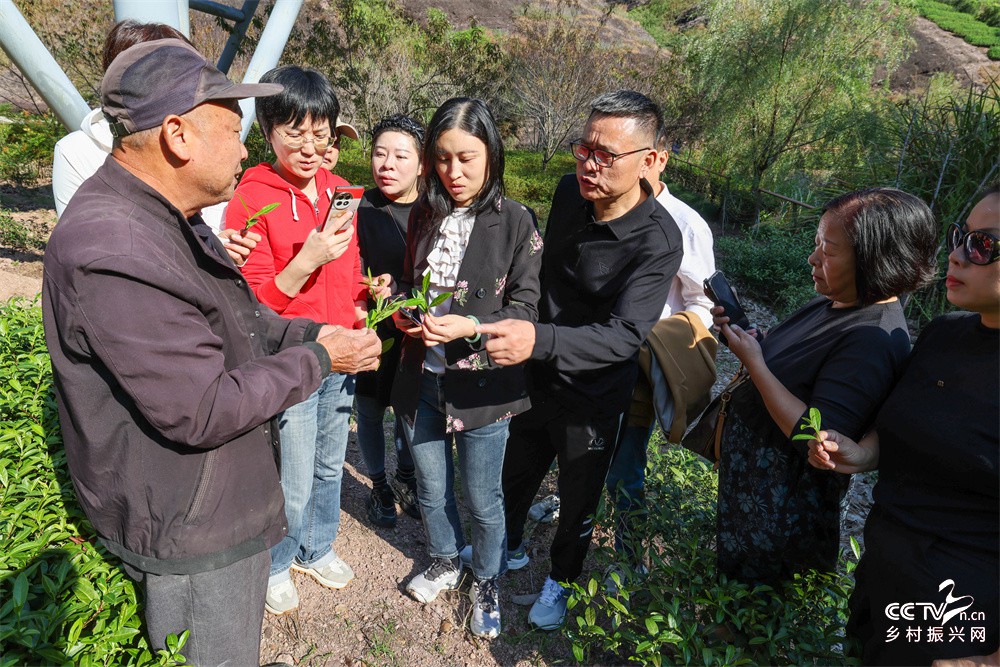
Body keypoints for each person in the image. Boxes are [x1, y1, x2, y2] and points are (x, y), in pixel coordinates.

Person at [41, 39, 381, 665]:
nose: (245, 147)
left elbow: (242, 320)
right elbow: (199, 408)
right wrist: (322, 359)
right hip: (192, 522)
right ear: (178, 136)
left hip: (216, 498)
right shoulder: (115, 248)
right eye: (233, 129)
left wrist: (312, 336)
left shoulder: (167, 214)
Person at [478, 90, 683, 630]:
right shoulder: (570, 191)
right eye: (583, 148)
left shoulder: (660, 240)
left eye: (606, 155)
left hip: (593, 396)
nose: (589, 164)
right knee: (515, 472)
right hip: (535, 373)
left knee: (578, 496)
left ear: (650, 160)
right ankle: (511, 544)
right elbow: (542, 273)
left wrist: (537, 339)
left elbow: (625, 336)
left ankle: (561, 578)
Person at [807, 187, 999, 666]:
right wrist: (861, 453)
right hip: (884, 572)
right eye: (961, 236)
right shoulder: (945, 333)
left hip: (961, 607)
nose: (956, 255)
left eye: (983, 245)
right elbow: (910, 432)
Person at [711, 187, 938, 584]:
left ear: (875, 262)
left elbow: (815, 438)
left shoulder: (872, 339)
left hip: (779, 514)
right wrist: (753, 344)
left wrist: (755, 364)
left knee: (749, 616)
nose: (814, 258)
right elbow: (797, 369)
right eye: (817, 243)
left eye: (828, 251)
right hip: (752, 496)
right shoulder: (835, 299)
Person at [389, 97, 542, 638]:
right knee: (431, 487)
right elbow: (412, 284)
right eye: (444, 158)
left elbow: (526, 308)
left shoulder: (517, 221)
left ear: (491, 157)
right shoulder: (424, 214)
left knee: (483, 497)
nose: (454, 172)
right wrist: (403, 310)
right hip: (421, 377)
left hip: (484, 386)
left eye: (468, 159)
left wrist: (471, 327)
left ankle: (487, 577)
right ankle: (443, 557)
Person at [224, 65, 366, 616]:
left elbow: (349, 269)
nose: (309, 147)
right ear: (269, 132)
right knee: (295, 468)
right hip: (296, 356)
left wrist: (362, 296)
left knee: (331, 462)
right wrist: (307, 258)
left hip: (343, 348)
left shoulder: (338, 191)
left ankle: (316, 546)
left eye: (320, 132)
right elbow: (256, 305)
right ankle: (278, 561)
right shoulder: (253, 196)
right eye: (294, 132)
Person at [602, 121, 716, 585]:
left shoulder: (685, 224)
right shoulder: (602, 207)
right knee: (587, 448)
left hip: (641, 369)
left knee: (625, 467)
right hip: (593, 357)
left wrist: (666, 343)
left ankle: (629, 558)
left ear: (658, 159)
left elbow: (703, 301)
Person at [52, 20, 252, 263]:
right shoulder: (77, 151)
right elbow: (91, 246)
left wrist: (219, 245)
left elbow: (207, 224)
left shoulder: (200, 150)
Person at [355, 114, 425, 527]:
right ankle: (379, 484)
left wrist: (400, 293)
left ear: (421, 164)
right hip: (369, 323)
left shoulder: (433, 209)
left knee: (407, 409)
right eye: (380, 154)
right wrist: (367, 285)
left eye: (401, 155)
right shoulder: (359, 205)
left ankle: (405, 477)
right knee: (368, 407)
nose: (387, 164)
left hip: (415, 326)